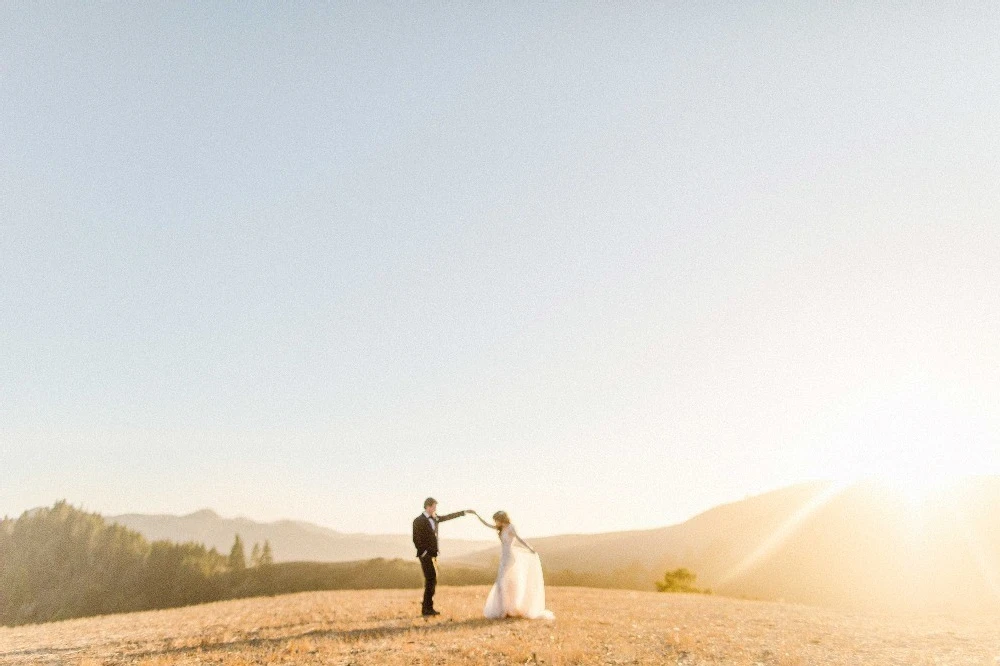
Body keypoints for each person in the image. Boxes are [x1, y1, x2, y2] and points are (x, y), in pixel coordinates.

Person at [471, 509, 554, 620]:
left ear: (502, 519)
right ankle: (505, 609)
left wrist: (529, 548)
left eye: (497, 520)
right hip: (504, 558)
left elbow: (519, 538)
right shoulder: (500, 528)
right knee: (504, 584)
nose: (495, 523)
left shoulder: (510, 527)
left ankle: (506, 610)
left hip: (509, 557)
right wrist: (476, 515)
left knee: (503, 583)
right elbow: (486, 524)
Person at [412, 497, 472, 617]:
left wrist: (463, 512)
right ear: (428, 507)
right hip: (425, 555)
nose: (435, 509)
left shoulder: (435, 518)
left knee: (432, 580)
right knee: (431, 579)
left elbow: (448, 517)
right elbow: (416, 538)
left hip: (434, 554)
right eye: (434, 506)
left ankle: (428, 607)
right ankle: (426, 609)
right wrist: (423, 553)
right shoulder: (418, 520)